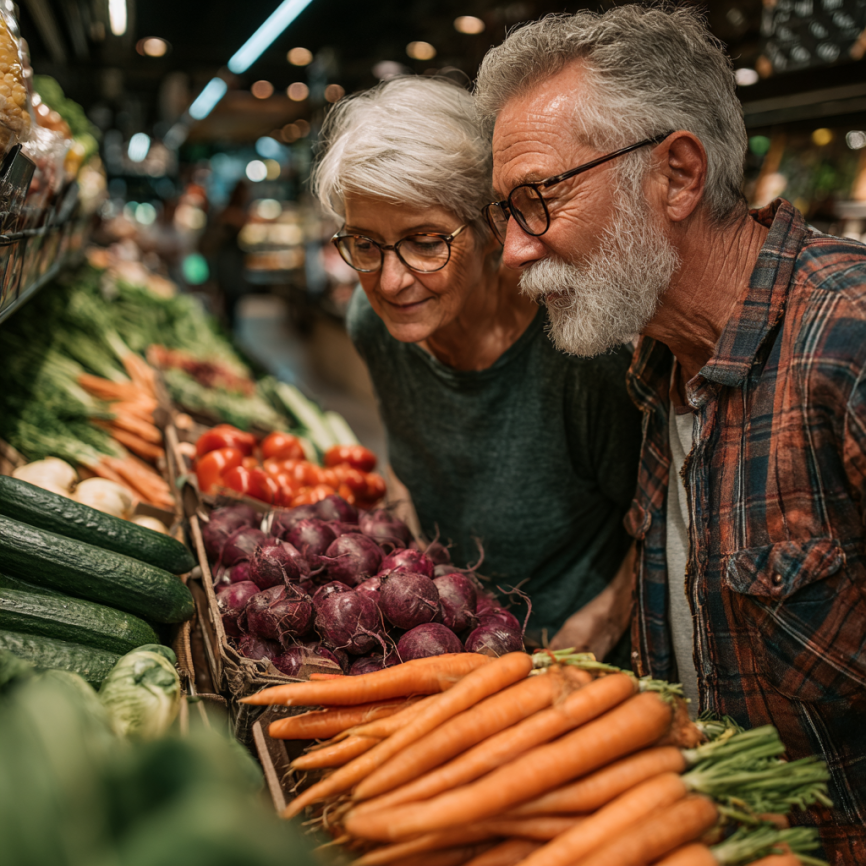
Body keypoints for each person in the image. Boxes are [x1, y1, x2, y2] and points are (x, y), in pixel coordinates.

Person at [476, 6, 866, 861]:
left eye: (538, 198)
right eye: (504, 210)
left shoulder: (848, 347)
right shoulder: (657, 363)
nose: (511, 251)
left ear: (678, 175)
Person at [312, 76, 642, 659]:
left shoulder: (580, 352)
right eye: (364, 243)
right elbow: (417, 468)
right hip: (442, 646)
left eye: (425, 241)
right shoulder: (375, 325)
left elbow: (658, 519)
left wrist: (608, 618)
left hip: (569, 656)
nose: (390, 281)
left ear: (494, 228)